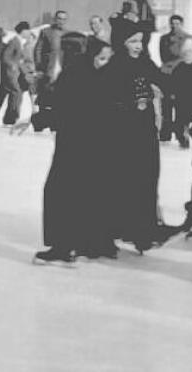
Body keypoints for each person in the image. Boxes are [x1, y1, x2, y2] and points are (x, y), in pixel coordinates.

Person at [32, 40, 115, 263]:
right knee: (71, 194)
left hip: (85, 146)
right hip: (78, 144)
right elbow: (63, 106)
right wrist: (40, 118)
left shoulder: (91, 76)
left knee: (67, 194)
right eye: (101, 58)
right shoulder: (79, 76)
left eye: (107, 59)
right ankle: (75, 244)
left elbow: (69, 110)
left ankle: (68, 247)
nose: (104, 63)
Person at [105, 29, 176, 253]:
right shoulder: (115, 65)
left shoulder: (145, 63)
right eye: (133, 41)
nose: (138, 46)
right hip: (121, 132)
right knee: (122, 179)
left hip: (144, 131)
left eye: (141, 41)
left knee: (146, 178)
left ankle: (144, 229)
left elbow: (164, 82)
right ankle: (119, 228)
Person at [158, 14, 192, 142]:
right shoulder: (164, 38)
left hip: (182, 76)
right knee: (166, 104)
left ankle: (180, 132)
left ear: (181, 24)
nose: (174, 26)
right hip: (167, 74)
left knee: (181, 105)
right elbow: (163, 56)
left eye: (177, 23)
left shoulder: (188, 39)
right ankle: (165, 132)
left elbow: (189, 57)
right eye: (172, 23)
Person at [171, 38, 192, 149]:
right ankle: (182, 138)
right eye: (186, 54)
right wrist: (173, 93)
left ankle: (191, 134)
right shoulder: (179, 67)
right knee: (180, 120)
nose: (188, 56)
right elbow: (173, 81)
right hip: (181, 98)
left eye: (190, 54)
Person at [0, 21, 27, 125]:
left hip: (16, 73)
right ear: (23, 31)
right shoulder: (14, 41)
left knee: (16, 94)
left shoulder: (20, 42)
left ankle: (11, 118)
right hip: (10, 73)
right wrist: (12, 65)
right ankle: (10, 118)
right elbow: (6, 57)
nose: (29, 32)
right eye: (27, 30)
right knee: (16, 92)